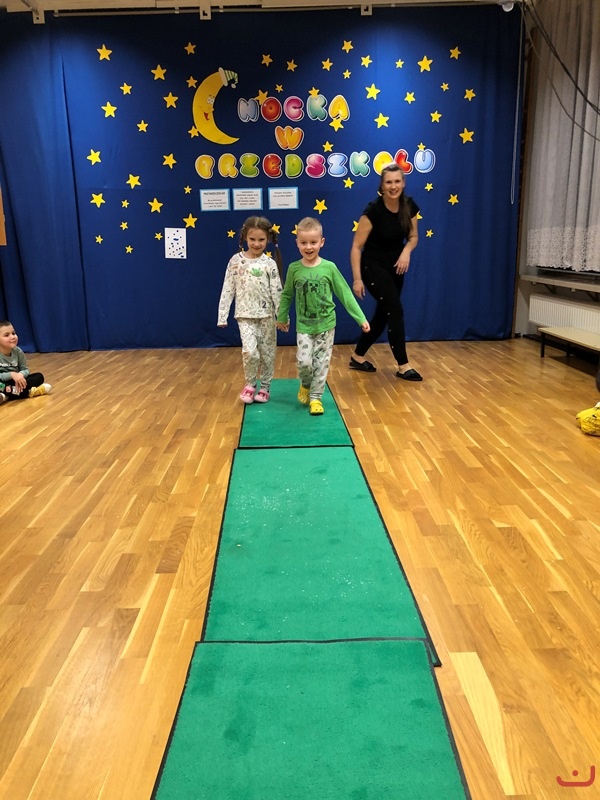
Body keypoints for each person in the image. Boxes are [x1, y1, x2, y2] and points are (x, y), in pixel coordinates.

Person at [276, 217, 370, 416]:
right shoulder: (294, 268)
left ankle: (316, 398)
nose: (308, 247)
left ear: (322, 242)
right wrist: (282, 316)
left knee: (321, 363)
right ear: (297, 243)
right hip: (304, 326)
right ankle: (306, 383)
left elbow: (345, 293)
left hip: (326, 325)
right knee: (304, 362)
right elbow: (287, 294)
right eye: (303, 242)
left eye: (313, 242)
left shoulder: (329, 268)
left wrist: (360, 318)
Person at [349, 162, 422, 381]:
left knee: (383, 314)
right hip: (373, 267)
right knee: (395, 311)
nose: (393, 186)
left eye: (397, 181)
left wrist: (406, 252)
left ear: (403, 183)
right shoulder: (373, 211)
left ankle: (358, 356)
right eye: (389, 182)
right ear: (382, 185)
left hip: (396, 267)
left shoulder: (409, 206)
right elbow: (356, 247)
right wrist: (357, 280)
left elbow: (413, 237)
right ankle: (403, 365)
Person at [218, 215, 283, 404]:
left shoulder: (269, 264)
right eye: (252, 239)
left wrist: (282, 316)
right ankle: (250, 384)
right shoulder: (235, 261)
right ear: (245, 237)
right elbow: (228, 288)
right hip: (244, 316)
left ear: (268, 239)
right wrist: (222, 315)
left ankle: (265, 386)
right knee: (250, 352)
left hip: (267, 317)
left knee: (268, 353)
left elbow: (277, 291)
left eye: (261, 239)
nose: (256, 243)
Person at [0, 320, 52, 403]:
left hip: (16, 382)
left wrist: (20, 375)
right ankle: (29, 392)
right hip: (2, 382)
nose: (12, 337)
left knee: (39, 377)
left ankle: (6, 395)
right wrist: (11, 375)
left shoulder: (18, 352)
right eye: (6, 335)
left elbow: (25, 369)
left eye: (13, 333)